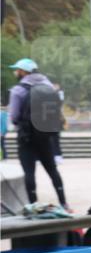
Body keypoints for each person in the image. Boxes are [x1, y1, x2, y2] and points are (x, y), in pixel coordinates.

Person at [7, 59, 69, 210]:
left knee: (29, 172)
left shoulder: (18, 90)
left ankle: (34, 207)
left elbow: (14, 116)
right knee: (52, 170)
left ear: (23, 71)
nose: (15, 72)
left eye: (17, 70)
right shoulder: (49, 86)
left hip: (26, 137)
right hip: (45, 136)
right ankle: (63, 202)